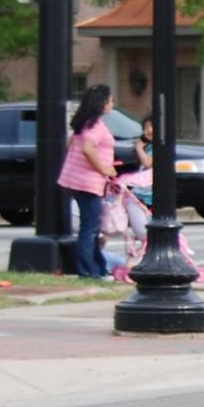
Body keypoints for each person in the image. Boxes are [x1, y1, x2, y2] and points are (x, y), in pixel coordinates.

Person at [57, 83, 118, 280]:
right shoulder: (95, 126)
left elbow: (71, 145)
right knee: (89, 228)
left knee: (91, 227)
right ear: (102, 103)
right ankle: (87, 270)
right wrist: (103, 168)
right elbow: (87, 149)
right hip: (88, 183)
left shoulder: (84, 123)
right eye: (110, 100)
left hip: (77, 180)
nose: (112, 103)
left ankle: (98, 267)